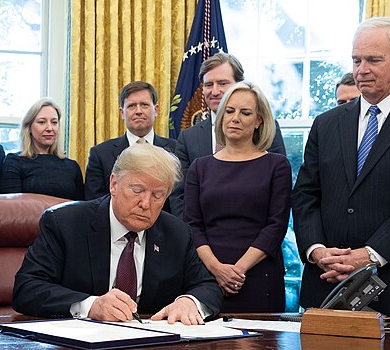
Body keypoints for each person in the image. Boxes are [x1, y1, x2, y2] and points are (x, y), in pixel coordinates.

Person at [291, 17, 390, 319]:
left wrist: (368, 255)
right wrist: (316, 251)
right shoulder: (326, 123)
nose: (361, 70)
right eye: (356, 60)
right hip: (324, 280)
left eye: (373, 60)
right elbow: (305, 195)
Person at [14, 144, 223, 323]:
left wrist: (189, 302)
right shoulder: (66, 224)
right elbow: (27, 289)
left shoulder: (176, 233)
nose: (145, 203)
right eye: (137, 190)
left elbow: (207, 286)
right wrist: (91, 306)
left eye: (158, 195)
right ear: (114, 184)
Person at [184, 82, 291, 313]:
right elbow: (192, 225)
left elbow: (276, 225)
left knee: (260, 348)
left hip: (259, 276)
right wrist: (217, 270)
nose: (235, 118)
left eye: (245, 113)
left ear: (259, 121)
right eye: (230, 111)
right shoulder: (199, 167)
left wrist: (237, 271)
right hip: (208, 277)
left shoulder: (277, 165)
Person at [174, 53, 287, 214]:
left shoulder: (267, 129)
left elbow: (279, 192)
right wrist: (193, 237)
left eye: (222, 83)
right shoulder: (188, 138)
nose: (215, 91)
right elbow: (179, 195)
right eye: (208, 84)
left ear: (239, 85)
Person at [84, 81, 178, 203]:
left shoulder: (175, 149)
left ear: (156, 110)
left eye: (144, 105)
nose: (138, 111)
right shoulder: (100, 154)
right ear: (122, 113)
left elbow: (179, 199)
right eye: (131, 106)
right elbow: (95, 203)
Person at [1, 98, 84, 200]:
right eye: (42, 122)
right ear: (29, 127)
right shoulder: (14, 162)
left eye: (54, 122)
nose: (49, 128)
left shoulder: (72, 167)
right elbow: (11, 208)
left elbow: (81, 208)